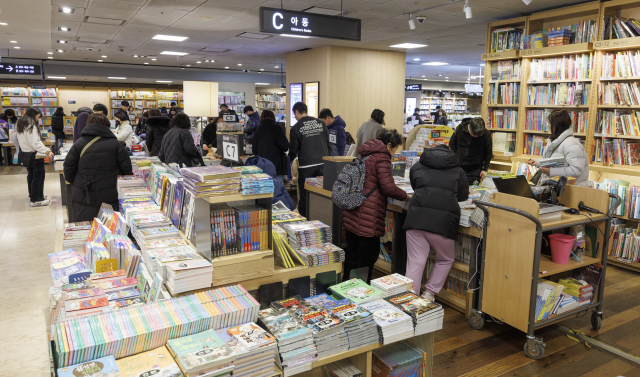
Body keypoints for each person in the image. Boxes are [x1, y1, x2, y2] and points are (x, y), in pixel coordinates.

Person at [403, 144, 469, 300]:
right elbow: (463, 197)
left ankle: (409, 300)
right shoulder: (459, 171)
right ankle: (429, 294)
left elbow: (415, 186)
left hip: (416, 220)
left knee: (415, 262)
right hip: (443, 223)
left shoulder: (418, 166)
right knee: (445, 259)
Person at [342, 129, 407, 283]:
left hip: (353, 210)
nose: (393, 153)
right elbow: (388, 188)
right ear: (389, 145)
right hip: (369, 217)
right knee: (366, 259)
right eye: (394, 149)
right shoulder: (382, 158)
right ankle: (362, 292)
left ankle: (346, 289)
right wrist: (406, 196)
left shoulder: (365, 153)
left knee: (352, 256)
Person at [63, 113, 133, 221]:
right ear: (107, 125)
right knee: (109, 230)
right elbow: (127, 172)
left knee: (86, 230)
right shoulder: (116, 144)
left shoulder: (79, 143)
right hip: (110, 195)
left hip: (84, 196)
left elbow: (68, 170)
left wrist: (80, 182)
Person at [289, 102, 332, 217]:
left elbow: (293, 150)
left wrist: (290, 161)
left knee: (305, 196)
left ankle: (306, 221)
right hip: (323, 164)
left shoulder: (296, 128)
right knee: (322, 194)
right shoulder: (321, 123)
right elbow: (329, 144)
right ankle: (323, 219)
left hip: (306, 166)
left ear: (297, 112)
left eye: (294, 114)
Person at [527, 109, 589, 186]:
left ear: (557, 125)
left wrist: (550, 171)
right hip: (558, 188)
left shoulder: (571, 144)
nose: (548, 126)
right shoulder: (555, 141)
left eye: (550, 123)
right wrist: (538, 163)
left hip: (570, 191)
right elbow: (554, 161)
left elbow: (576, 170)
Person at [16, 107, 54, 207]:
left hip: (27, 154)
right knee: (38, 176)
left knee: (31, 176)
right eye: (38, 117)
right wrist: (47, 151)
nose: (38, 119)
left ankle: (35, 195)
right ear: (34, 115)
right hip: (35, 155)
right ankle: (36, 199)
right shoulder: (31, 125)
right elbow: (35, 143)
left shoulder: (20, 124)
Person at [449, 117, 493, 185]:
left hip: (474, 170)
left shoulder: (486, 135)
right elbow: (452, 143)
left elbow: (488, 153)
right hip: (457, 167)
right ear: (469, 127)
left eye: (479, 135)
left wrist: (485, 169)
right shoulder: (461, 128)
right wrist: (454, 159)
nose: (476, 136)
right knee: (454, 188)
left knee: (471, 192)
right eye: (473, 134)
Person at [252, 110, 289, 182]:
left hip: (262, 166)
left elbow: (254, 150)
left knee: (265, 190)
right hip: (276, 166)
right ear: (273, 118)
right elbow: (285, 146)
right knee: (277, 190)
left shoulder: (258, 130)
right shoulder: (276, 128)